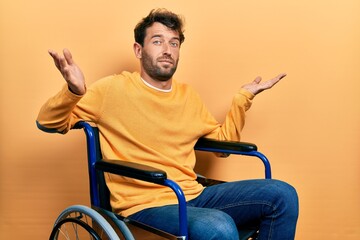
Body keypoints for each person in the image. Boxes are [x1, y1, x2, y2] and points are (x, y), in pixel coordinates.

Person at [37, 8, 298, 240]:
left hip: (192, 193)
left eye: (174, 43)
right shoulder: (112, 89)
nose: (167, 49)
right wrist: (74, 90)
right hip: (145, 202)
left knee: (283, 195)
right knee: (218, 227)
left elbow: (222, 147)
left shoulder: (188, 96)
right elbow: (48, 122)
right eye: (157, 41)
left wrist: (242, 98)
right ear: (139, 50)